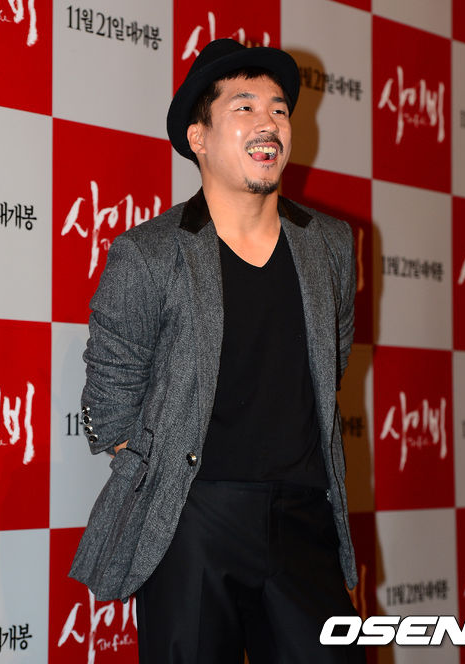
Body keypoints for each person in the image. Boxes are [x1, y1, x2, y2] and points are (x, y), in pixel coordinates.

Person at [69, 38, 366, 663]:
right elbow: (111, 401)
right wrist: (170, 486)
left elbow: (329, 365)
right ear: (198, 136)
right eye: (245, 107)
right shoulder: (149, 253)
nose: (269, 123)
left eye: (280, 109)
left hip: (305, 518)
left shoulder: (331, 246)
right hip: (193, 523)